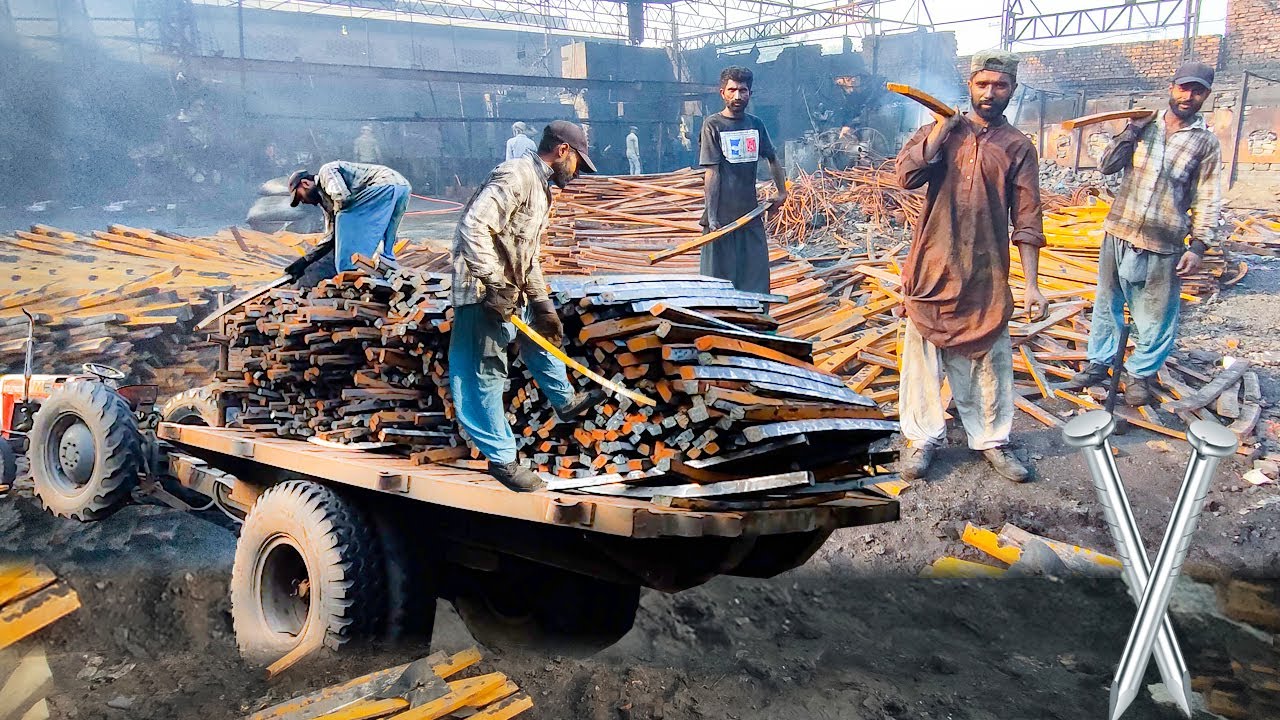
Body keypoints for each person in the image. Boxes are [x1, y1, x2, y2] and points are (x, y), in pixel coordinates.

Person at [895, 50, 1048, 484]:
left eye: (1000, 85)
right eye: (983, 84)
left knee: (989, 358)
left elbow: (1028, 218)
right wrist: (941, 130)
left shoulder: (1017, 146)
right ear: (970, 85)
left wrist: (1032, 286)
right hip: (932, 262)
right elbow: (905, 177)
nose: (990, 92)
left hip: (985, 270)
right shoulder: (943, 132)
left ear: (1012, 90)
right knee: (922, 356)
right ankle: (922, 438)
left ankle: (992, 440)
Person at [450, 121, 600, 492]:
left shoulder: (541, 186)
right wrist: (494, 284)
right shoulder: (516, 175)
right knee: (481, 371)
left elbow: (526, 253)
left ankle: (564, 400)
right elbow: (474, 226)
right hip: (480, 288)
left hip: (510, 285)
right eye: (578, 162)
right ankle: (502, 459)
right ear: (563, 150)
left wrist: (541, 301)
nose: (578, 172)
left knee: (541, 335)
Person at [1067, 61, 1222, 406]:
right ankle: (1098, 364)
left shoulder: (1204, 143)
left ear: (1206, 96)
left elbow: (1208, 196)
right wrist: (1129, 132)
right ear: (1172, 88)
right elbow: (1107, 165)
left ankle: (1139, 375)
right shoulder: (1145, 127)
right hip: (1119, 230)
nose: (1189, 96)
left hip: (1163, 241)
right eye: (1184, 88)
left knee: (1154, 316)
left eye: (1197, 91)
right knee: (1108, 304)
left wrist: (1197, 246)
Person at [698, 66, 788, 294]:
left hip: (750, 213)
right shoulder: (713, 125)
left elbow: (773, 158)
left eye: (743, 90)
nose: (737, 96)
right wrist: (711, 216)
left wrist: (781, 192)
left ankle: (757, 323)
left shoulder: (755, 125)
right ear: (722, 93)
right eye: (732, 90)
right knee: (717, 279)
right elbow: (712, 172)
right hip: (721, 216)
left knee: (755, 276)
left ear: (750, 93)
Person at [284, 162, 411, 285]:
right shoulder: (327, 201)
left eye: (300, 196)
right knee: (387, 235)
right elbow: (331, 237)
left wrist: (342, 225)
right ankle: (389, 271)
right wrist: (305, 261)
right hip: (402, 187)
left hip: (384, 183)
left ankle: (348, 275)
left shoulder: (326, 172)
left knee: (343, 218)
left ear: (305, 183)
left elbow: (342, 198)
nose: (303, 201)